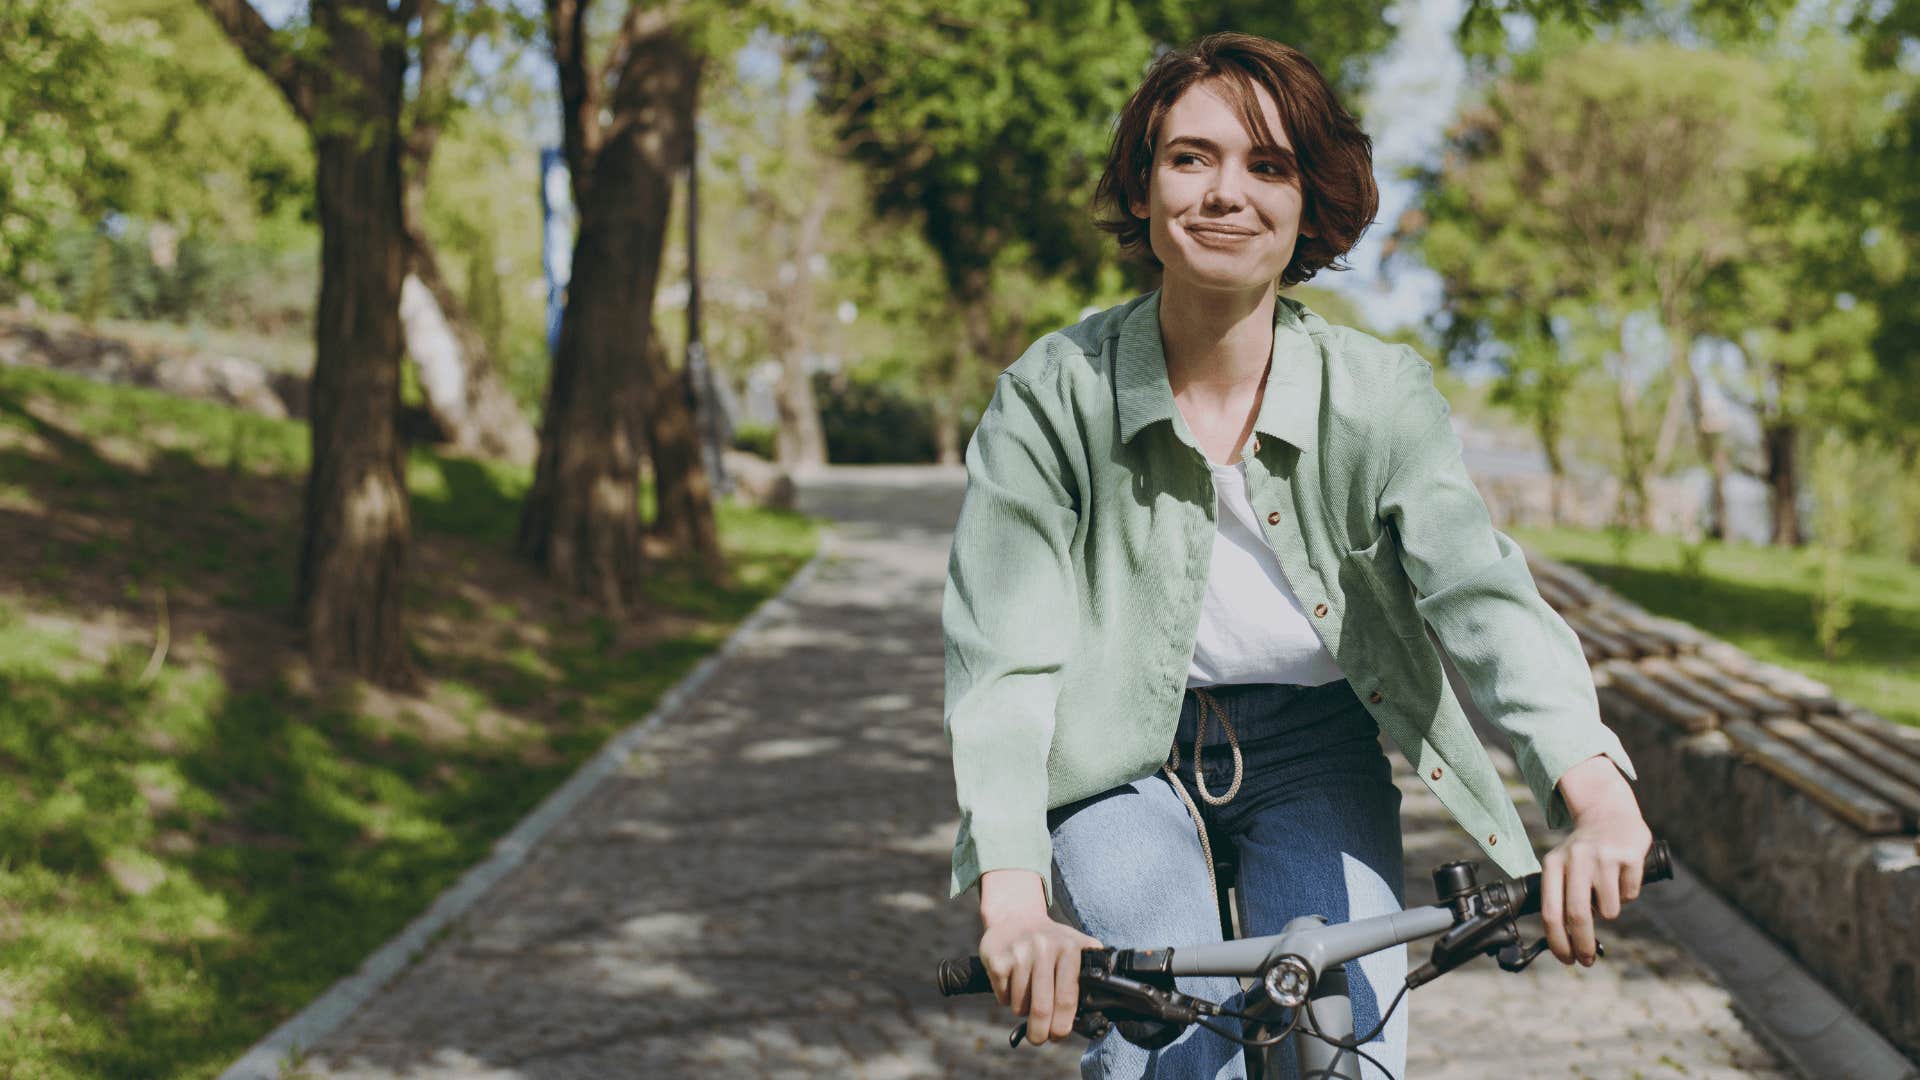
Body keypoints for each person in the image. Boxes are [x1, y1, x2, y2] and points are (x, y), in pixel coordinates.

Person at [940, 30, 1655, 1080]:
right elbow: (1003, 665)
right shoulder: (1053, 398)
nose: (1226, 192)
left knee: (1346, 1053)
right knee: (1182, 1038)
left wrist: (1596, 798)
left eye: (1267, 165)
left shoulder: (1380, 398)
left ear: (1307, 203)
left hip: (1316, 745)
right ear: (1142, 188)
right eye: (1191, 158)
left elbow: (1481, 596)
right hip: (1113, 762)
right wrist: (1013, 901)